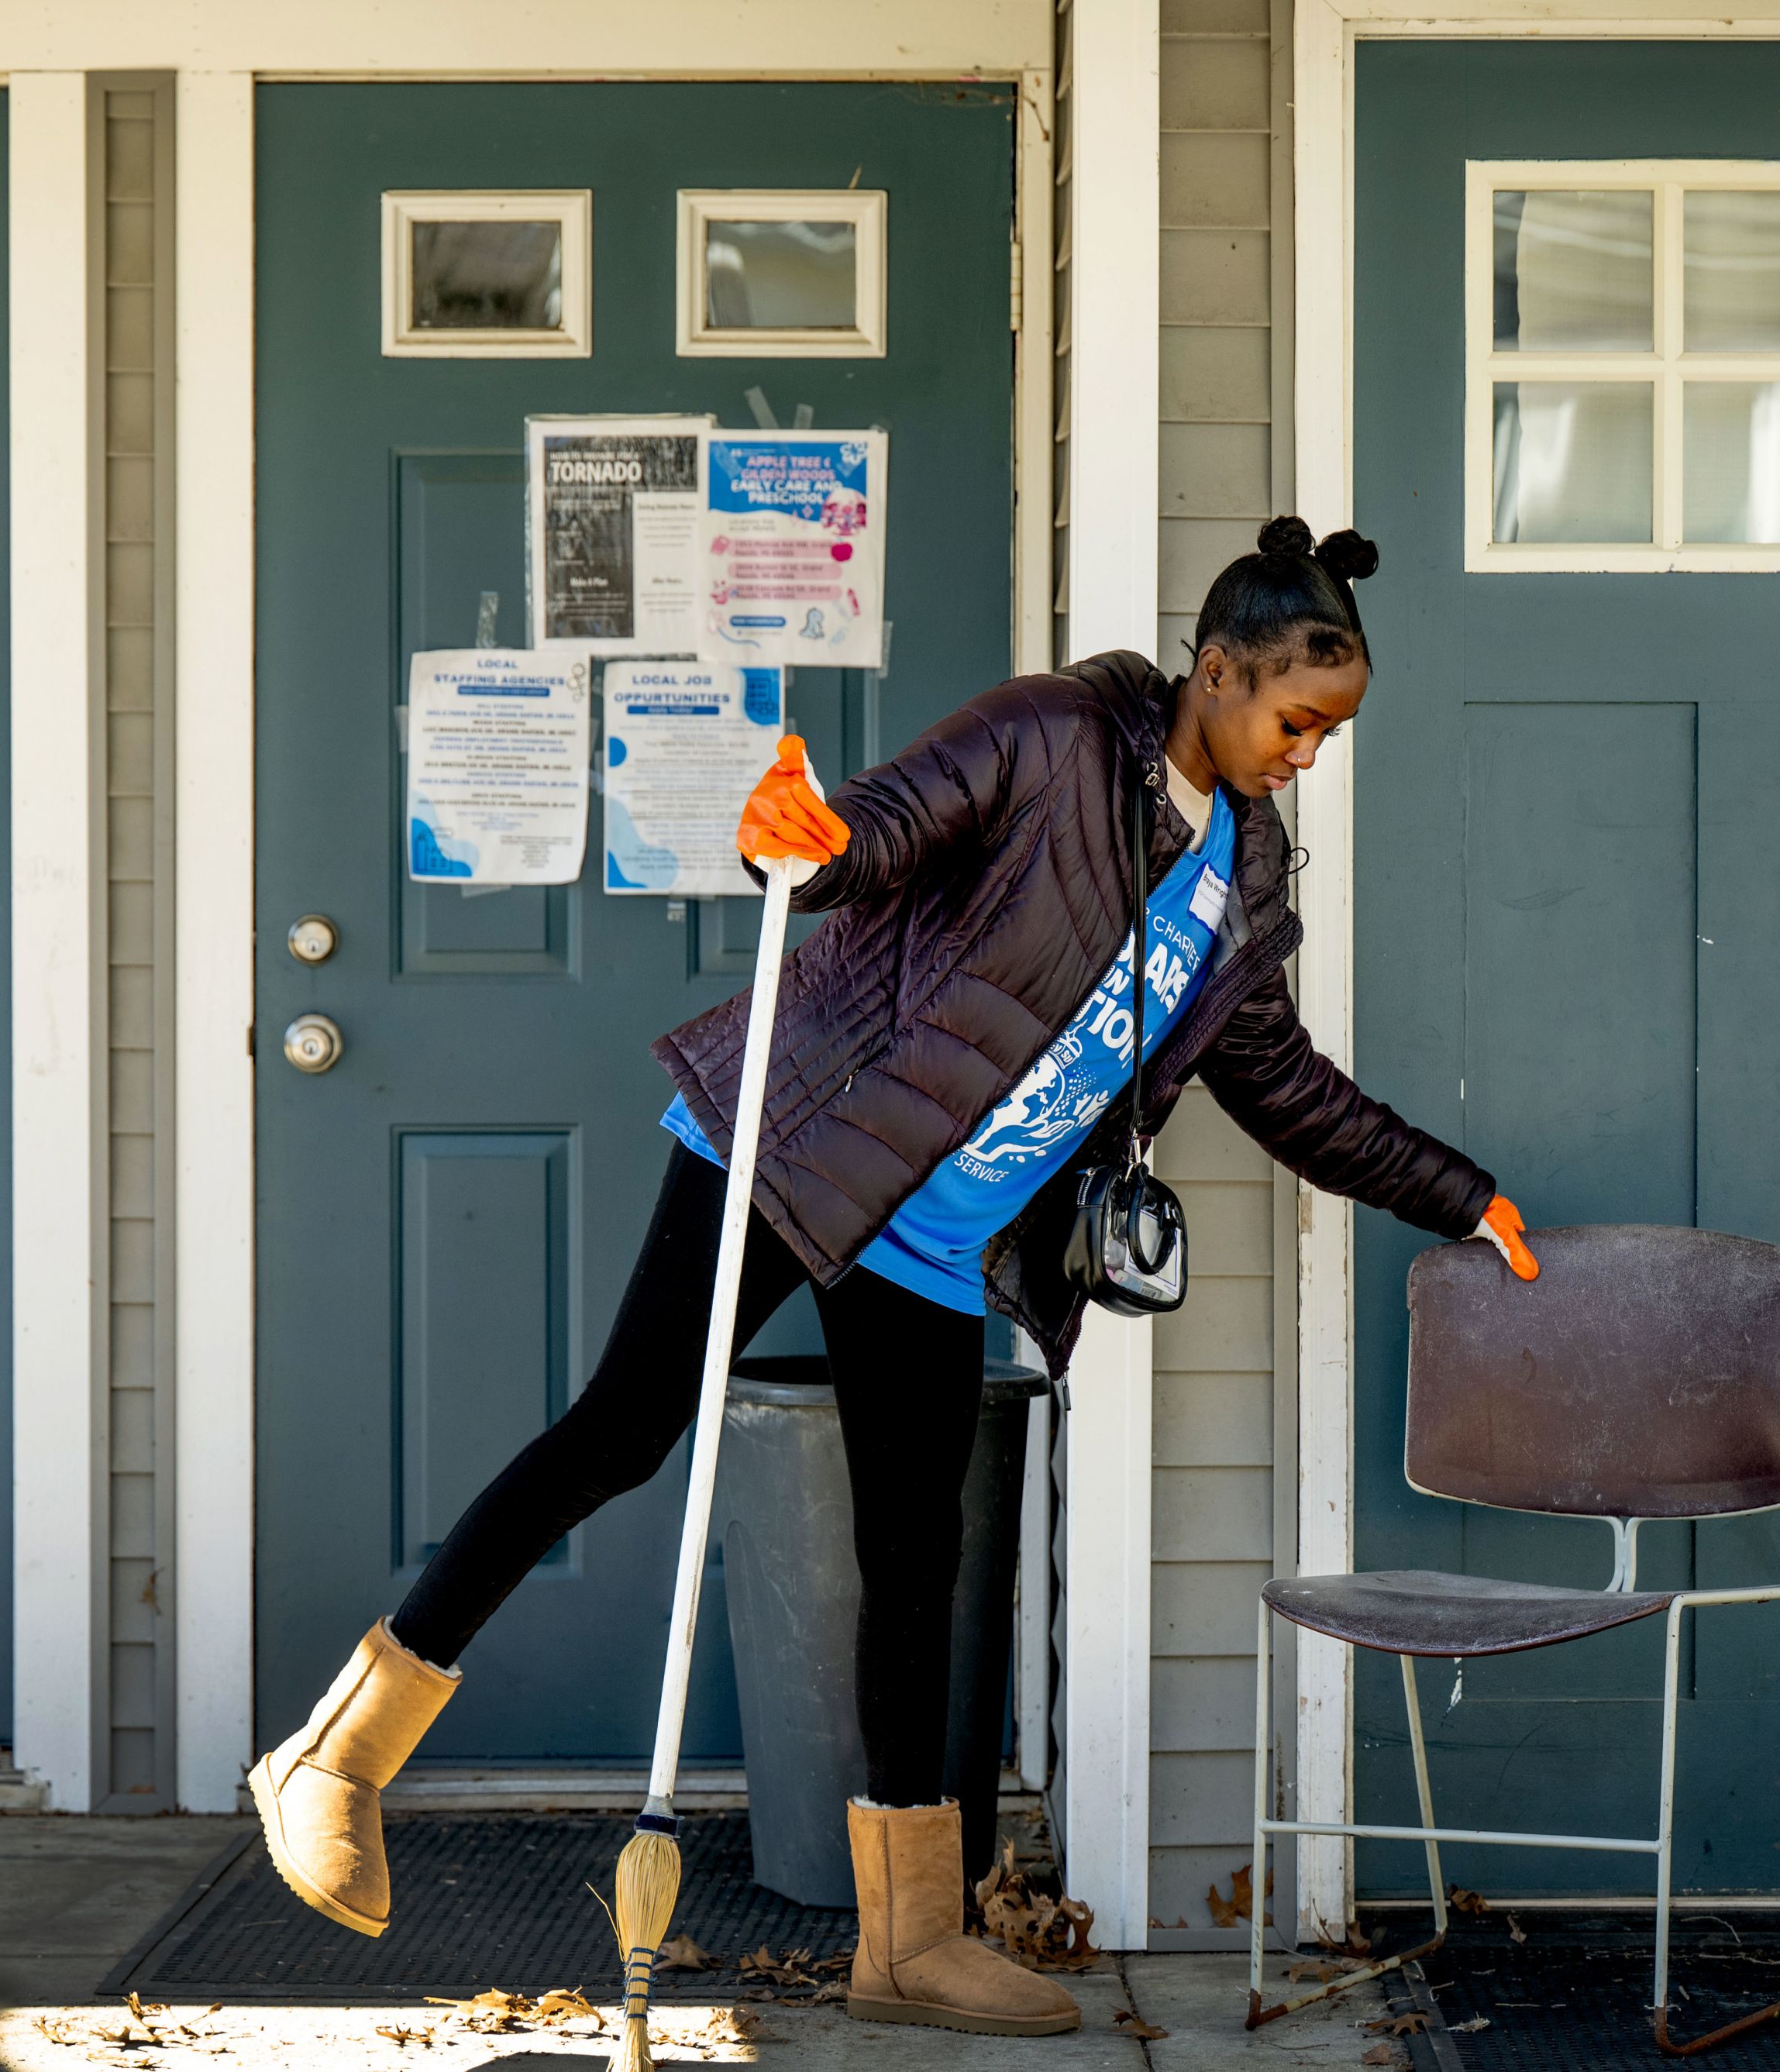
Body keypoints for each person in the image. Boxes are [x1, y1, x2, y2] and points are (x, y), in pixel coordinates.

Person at [250, 517, 1537, 2036]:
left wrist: (1461, 1194)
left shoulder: (1242, 889)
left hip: (933, 1236)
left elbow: (1283, 1084)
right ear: (1213, 672)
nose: (1305, 755)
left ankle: (907, 1934)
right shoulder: (1053, 732)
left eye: (1328, 735)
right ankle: (336, 1753)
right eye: (1294, 720)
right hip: (805, 1141)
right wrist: (804, 833)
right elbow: (875, 826)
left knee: (912, 1551)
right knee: (624, 1424)